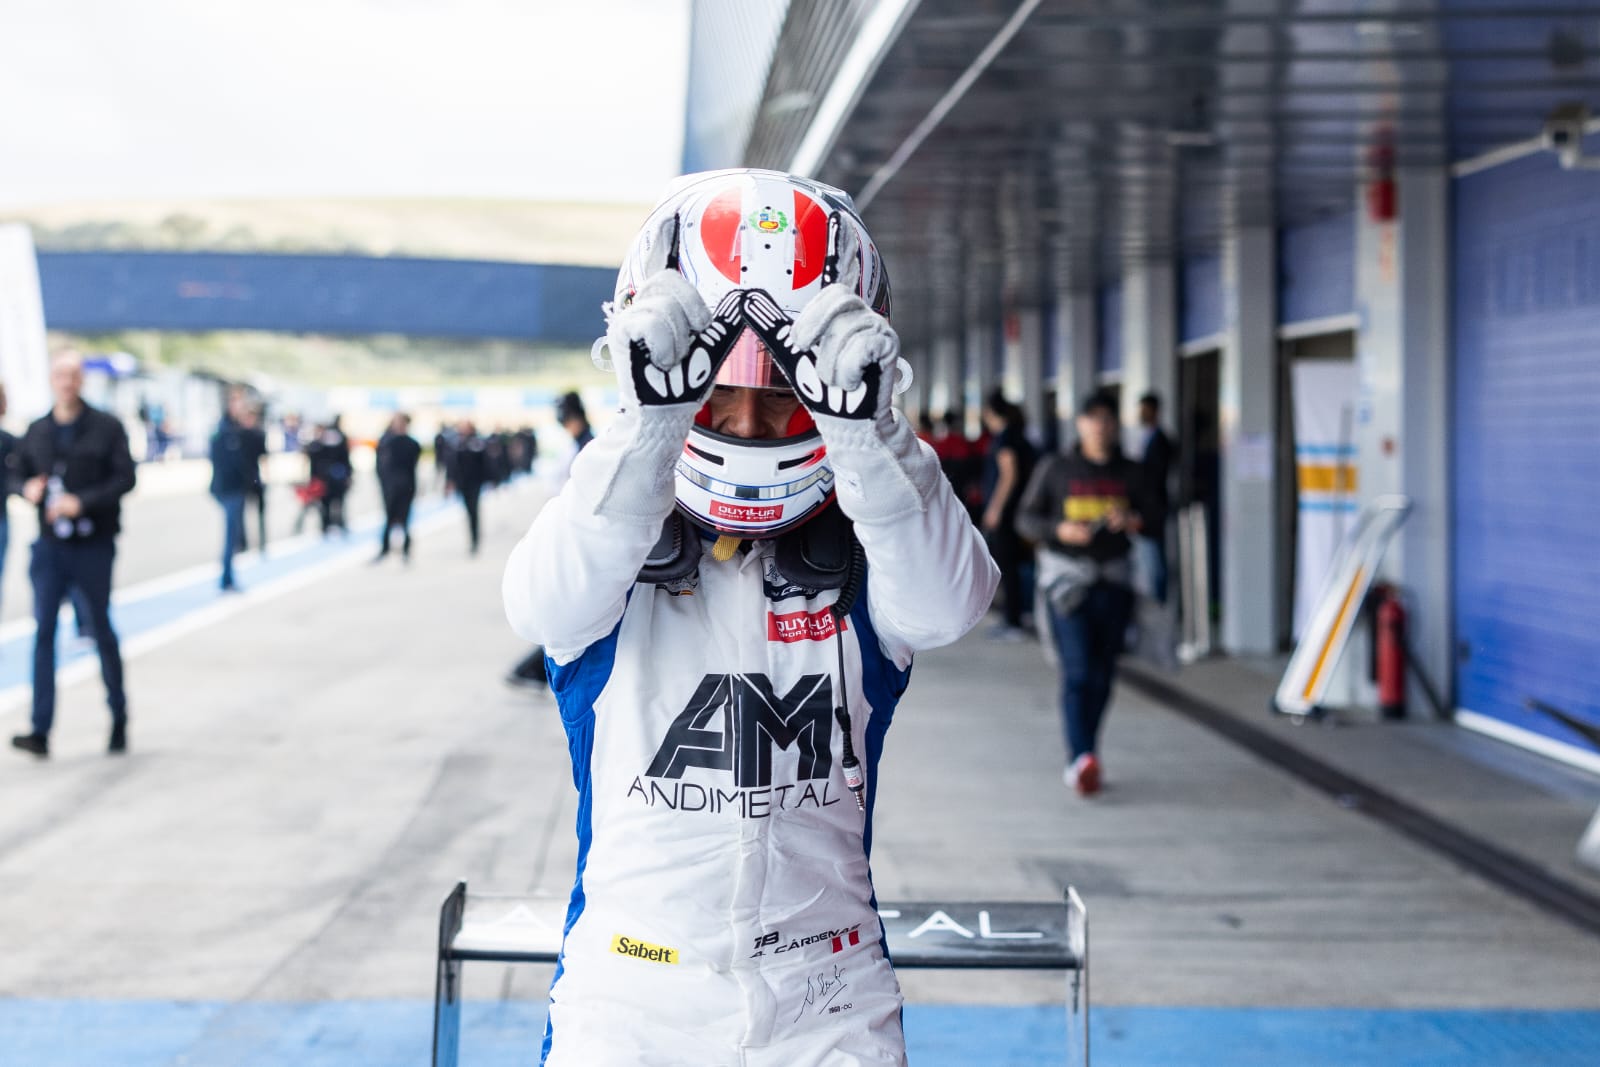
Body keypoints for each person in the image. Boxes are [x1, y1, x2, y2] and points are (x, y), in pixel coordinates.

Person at [503, 169, 997, 1066]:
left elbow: (952, 602)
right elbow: (539, 600)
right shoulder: (608, 542)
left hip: (832, 999)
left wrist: (869, 430)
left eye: (781, 395)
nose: (745, 420)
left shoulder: (868, 550)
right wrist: (649, 427)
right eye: (714, 391)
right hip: (628, 997)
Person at [1015, 390, 1152, 796]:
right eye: (1093, 418)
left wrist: (1131, 519)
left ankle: (1088, 752)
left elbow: (1158, 514)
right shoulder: (1056, 468)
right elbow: (1026, 518)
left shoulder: (1132, 472)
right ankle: (1081, 757)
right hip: (1068, 585)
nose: (1101, 426)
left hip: (1115, 583)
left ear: (1115, 424)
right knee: (1077, 671)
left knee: (1103, 674)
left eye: (1108, 419)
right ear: (1080, 424)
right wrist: (1059, 530)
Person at [11, 351, 137, 759]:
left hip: (93, 544)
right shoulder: (38, 430)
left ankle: (118, 715)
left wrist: (82, 502)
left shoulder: (106, 427)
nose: (67, 382)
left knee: (100, 627)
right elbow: (15, 471)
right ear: (52, 380)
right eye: (60, 375)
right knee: (43, 632)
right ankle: (40, 729)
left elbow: (126, 477)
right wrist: (24, 488)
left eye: (73, 375)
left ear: (82, 381)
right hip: (50, 546)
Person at [504, 393, 592, 691]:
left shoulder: (587, 446)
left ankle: (534, 668)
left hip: (579, 539)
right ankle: (535, 668)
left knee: (567, 611)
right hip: (568, 535)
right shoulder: (579, 443)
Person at [980, 391, 1037, 640]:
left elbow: (1008, 475)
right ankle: (1019, 614)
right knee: (1017, 564)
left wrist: (995, 508)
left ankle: (1013, 620)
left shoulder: (1005, 440)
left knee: (1008, 565)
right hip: (1019, 511)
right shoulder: (1018, 437)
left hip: (1008, 514)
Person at [210, 387, 264, 592]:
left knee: (236, 536)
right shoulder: (227, 431)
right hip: (229, 489)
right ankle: (226, 578)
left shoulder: (239, 431)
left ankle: (228, 576)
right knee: (231, 536)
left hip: (235, 488)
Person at [1135, 391, 1175, 604]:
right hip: (1144, 506)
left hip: (1154, 507)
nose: (1141, 414)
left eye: (1145, 410)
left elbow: (1155, 476)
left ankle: (1160, 602)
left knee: (1155, 559)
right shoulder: (1146, 437)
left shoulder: (1161, 440)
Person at [374, 412, 422, 562]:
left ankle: (406, 549)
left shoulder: (411, 443)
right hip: (390, 486)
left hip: (406, 485)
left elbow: (412, 465)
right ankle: (385, 548)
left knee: (405, 518)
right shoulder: (386, 441)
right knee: (389, 517)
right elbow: (381, 466)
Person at [446, 420, 489, 555]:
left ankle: (475, 540)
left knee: (473, 511)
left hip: (475, 483)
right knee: (468, 512)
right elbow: (452, 465)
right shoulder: (457, 444)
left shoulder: (477, 443)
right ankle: (471, 539)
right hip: (462, 483)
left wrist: (489, 480)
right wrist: (450, 481)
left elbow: (485, 463)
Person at [305, 417, 352, 536]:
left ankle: (339, 524)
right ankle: (326, 527)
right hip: (322, 482)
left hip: (336, 480)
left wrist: (347, 475)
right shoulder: (314, 446)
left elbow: (344, 459)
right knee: (324, 506)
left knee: (338, 504)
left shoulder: (335, 443)